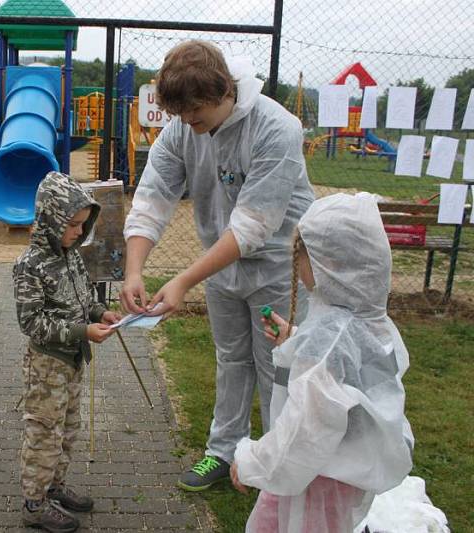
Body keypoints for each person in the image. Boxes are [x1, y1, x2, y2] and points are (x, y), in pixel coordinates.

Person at [121, 39, 315, 490]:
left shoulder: (276, 128)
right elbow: (151, 200)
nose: (189, 122)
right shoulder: (182, 129)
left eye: (196, 112)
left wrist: (184, 279)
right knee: (231, 358)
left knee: (277, 364)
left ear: (225, 91)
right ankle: (223, 451)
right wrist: (134, 270)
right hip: (220, 265)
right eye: (181, 114)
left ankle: (278, 462)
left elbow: (253, 227)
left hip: (279, 266)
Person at [230, 192, 414, 532]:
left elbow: (305, 430)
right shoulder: (371, 321)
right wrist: (296, 337)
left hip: (313, 481)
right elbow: (350, 366)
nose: (297, 267)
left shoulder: (328, 341)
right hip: (343, 474)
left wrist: (251, 460)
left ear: (330, 264)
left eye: (300, 258)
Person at [13, 171, 121, 532]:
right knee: (44, 433)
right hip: (47, 366)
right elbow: (32, 324)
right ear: (51, 220)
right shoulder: (29, 266)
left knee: (68, 429)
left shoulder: (71, 256)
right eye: (72, 224)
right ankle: (34, 503)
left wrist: (99, 312)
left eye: (82, 224)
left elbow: (83, 299)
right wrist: (82, 330)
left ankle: (54, 487)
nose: (79, 231)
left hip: (72, 361)